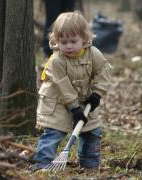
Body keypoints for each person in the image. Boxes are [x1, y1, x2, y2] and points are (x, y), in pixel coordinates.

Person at [31, 11, 111, 172]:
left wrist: (97, 94)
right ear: (56, 40)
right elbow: (63, 86)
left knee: (92, 132)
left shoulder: (93, 54)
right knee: (53, 132)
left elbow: (103, 71)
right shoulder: (57, 60)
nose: (68, 46)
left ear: (84, 38)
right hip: (58, 102)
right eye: (63, 41)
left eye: (73, 41)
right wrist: (74, 108)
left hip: (86, 100)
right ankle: (42, 164)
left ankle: (89, 164)